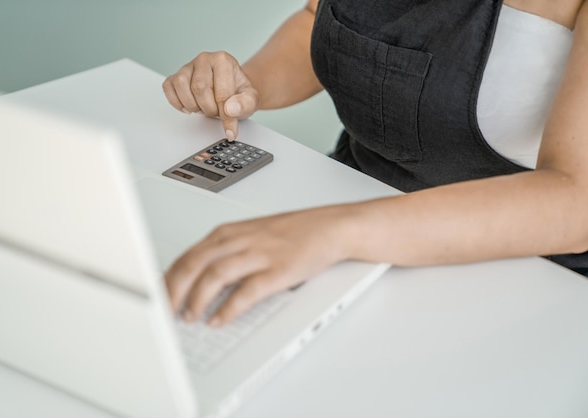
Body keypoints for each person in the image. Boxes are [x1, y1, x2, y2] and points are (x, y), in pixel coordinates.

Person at [162, 0, 588, 328]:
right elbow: (319, 19)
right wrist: (247, 85)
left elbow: (575, 204)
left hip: (523, 281)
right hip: (344, 215)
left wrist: (335, 231)